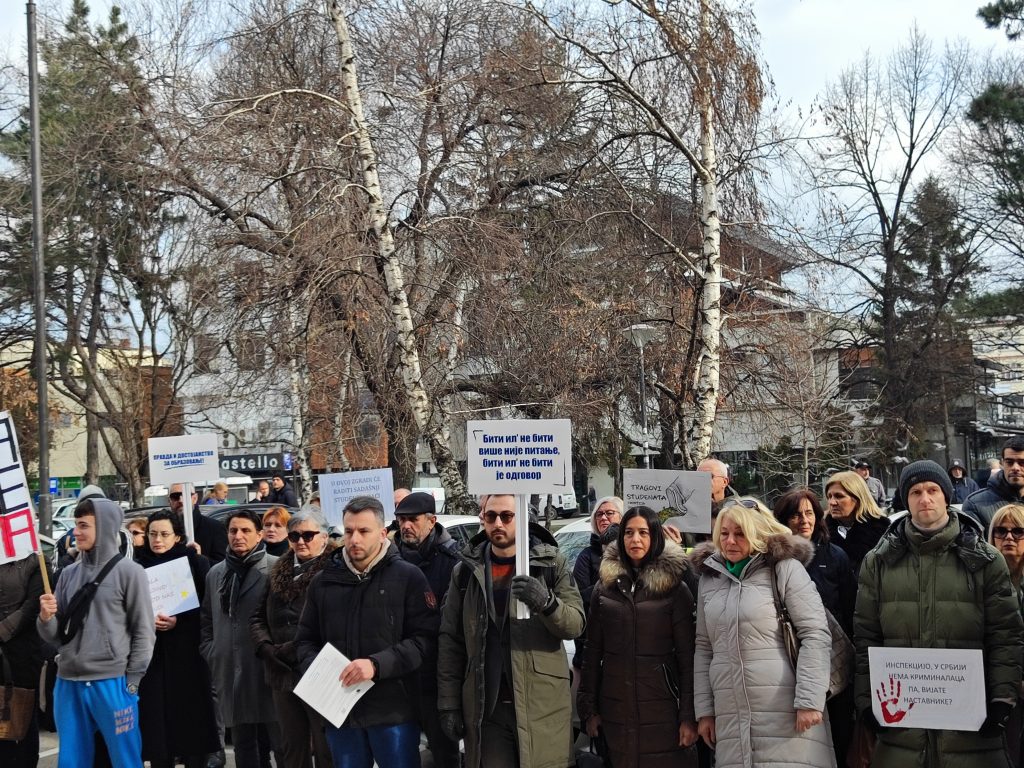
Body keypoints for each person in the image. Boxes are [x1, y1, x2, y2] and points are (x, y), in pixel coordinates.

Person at [854, 460, 1024, 767]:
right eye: (916, 491)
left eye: (933, 490)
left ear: (946, 496)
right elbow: (866, 635)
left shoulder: (985, 559)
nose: (925, 498)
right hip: (902, 733)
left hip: (973, 730)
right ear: (905, 500)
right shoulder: (878, 562)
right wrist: (867, 701)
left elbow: (1006, 634)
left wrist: (1002, 699)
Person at [436, 493, 585, 768]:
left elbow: (575, 624)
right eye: (490, 516)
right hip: (486, 709)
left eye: (506, 516)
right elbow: (451, 640)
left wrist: (547, 603)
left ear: (522, 519)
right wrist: (448, 703)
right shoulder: (466, 572)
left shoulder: (551, 564)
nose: (498, 524)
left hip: (541, 706)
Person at [295, 496, 438, 768]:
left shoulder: (408, 577)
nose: (354, 539)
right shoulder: (322, 582)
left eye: (363, 531)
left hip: (393, 710)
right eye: (349, 531)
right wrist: (320, 670)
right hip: (341, 711)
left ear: (383, 533)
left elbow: (425, 640)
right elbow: (304, 641)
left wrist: (376, 665)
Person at [692, 497, 836, 768]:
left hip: (787, 712)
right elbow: (704, 647)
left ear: (757, 533)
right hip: (730, 715)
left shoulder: (784, 569)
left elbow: (815, 633)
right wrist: (705, 711)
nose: (730, 542)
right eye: (724, 534)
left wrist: (809, 700)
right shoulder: (709, 579)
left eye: (739, 534)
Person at [37, 498, 155, 768]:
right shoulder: (68, 574)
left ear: (104, 527)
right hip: (68, 681)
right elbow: (56, 636)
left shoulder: (130, 572)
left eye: (83, 526)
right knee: (70, 760)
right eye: (76, 525)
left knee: (125, 759)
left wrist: (133, 680)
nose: (75, 532)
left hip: (112, 681)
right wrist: (45, 618)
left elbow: (144, 631)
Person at [577, 505, 698, 768]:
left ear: (655, 537)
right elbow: (592, 650)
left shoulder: (675, 589)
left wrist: (689, 716)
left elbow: (689, 659)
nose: (635, 540)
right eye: (629, 533)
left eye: (643, 532)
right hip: (615, 709)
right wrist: (589, 709)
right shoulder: (604, 589)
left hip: (664, 710)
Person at [773, 488, 857, 766]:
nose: (804, 520)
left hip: (832, 662)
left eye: (809, 513)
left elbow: (849, 609)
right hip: (788, 662)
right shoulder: (774, 561)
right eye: (796, 515)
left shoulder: (836, 557)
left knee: (840, 737)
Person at [250, 509, 334, 768]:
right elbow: (256, 616)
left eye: (308, 535)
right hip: (281, 671)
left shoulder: (334, 569)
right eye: (295, 535)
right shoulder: (278, 568)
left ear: (323, 537)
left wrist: (295, 647)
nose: (301, 541)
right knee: (292, 747)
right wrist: (265, 647)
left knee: (325, 746)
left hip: (317, 669)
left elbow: (333, 622)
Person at [134, 511, 219, 768]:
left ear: (177, 536)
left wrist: (179, 621)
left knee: (190, 720)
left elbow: (208, 607)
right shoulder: (137, 565)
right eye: (152, 534)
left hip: (188, 654)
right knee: (157, 724)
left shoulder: (194, 562)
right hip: (153, 656)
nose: (157, 540)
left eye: (164, 534)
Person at [200, 509, 280, 768]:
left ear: (259, 534)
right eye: (233, 531)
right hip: (231, 668)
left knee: (279, 741)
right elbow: (207, 620)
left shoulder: (275, 568)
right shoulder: (217, 574)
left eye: (246, 530)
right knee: (244, 743)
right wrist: (213, 651)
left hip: (266, 666)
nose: (238, 536)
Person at [392, 491, 461, 768]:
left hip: (436, 674)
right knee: (401, 753)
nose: (406, 525)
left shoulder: (451, 561)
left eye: (413, 520)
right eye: (402, 520)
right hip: (398, 674)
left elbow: (453, 624)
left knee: (443, 751)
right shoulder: (389, 559)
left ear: (431, 521)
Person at [0, 548, 47, 767]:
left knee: (22, 719)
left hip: (22, 654)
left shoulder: (36, 560)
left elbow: (34, 605)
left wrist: (2, 631)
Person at [989, 503, 1024, 767]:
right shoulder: (980, 578)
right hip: (994, 692)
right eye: (1001, 531)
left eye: (1018, 531)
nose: (1009, 537)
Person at [571, 495, 623, 669]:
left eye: (609, 513)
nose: (603, 517)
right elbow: (579, 596)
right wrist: (612, 581)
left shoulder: (635, 554)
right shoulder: (586, 555)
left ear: (623, 517)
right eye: (599, 514)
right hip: (591, 640)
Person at [824, 470, 889, 573]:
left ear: (858, 498)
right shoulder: (820, 533)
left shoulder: (885, 533)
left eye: (839, 496)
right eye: (829, 496)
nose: (832, 502)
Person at [964, 436, 1024, 530]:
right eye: (1009, 462)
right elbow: (972, 543)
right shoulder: (975, 504)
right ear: (1002, 463)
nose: (1015, 468)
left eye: (1022, 463)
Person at [169, 483, 228, 563]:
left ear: (195, 498)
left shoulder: (215, 527)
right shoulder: (162, 530)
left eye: (186, 496)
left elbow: (223, 566)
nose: (181, 500)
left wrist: (200, 558)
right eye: (175, 496)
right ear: (169, 501)